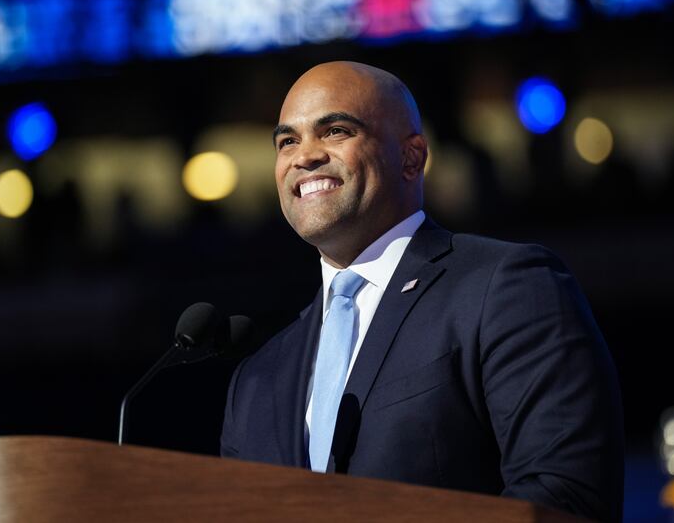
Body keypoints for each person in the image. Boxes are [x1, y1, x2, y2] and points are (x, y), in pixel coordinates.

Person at [220, 61, 624, 522]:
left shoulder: (504, 287)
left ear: (411, 157)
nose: (303, 156)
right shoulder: (258, 380)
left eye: (334, 131)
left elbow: (564, 494)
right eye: (287, 141)